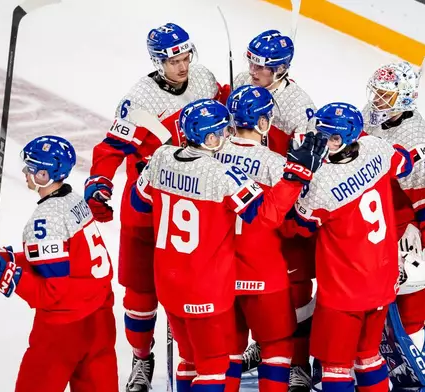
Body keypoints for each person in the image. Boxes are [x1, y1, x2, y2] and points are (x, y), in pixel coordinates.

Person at [129, 98, 327, 392]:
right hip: (228, 279)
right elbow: (267, 217)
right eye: (222, 131)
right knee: (229, 363)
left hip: (172, 282)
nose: (226, 135)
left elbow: (138, 203)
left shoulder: (160, 157)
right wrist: (295, 176)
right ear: (209, 137)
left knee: (193, 359)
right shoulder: (226, 174)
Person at [84, 22, 229, 392]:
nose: (182, 66)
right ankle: (140, 358)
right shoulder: (140, 100)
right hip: (147, 209)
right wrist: (100, 182)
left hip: (197, 202)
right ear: (156, 61)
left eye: (185, 57)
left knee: (204, 290)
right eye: (172, 60)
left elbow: (226, 108)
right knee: (140, 294)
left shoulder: (203, 79)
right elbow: (111, 149)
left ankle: (205, 359)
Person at [0, 135, 117, 392]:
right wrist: (12, 259)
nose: (26, 172)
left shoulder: (45, 220)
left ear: (44, 176)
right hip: (100, 318)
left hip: (63, 330)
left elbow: (51, 294)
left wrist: (10, 277)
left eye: (32, 168)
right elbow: (62, 258)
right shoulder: (74, 200)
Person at [285, 102, 414, 392]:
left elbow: (296, 227)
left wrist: (299, 177)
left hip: (344, 292)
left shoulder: (323, 183)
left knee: (335, 367)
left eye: (330, 137)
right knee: (368, 357)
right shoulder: (376, 148)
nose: (321, 141)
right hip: (382, 281)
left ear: (346, 138)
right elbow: (404, 162)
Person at [363, 61, 425, 390]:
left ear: (404, 99)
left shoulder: (414, 138)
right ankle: (376, 359)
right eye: (376, 92)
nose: (377, 99)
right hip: (376, 222)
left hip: (405, 231)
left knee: (410, 306)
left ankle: (418, 353)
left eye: (386, 95)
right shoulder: (372, 114)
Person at [234, 29, 318, 390]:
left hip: (284, 203)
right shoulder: (242, 82)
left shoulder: (299, 106)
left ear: (281, 69)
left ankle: (297, 361)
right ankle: (262, 345)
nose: (253, 71)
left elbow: (311, 165)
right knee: (248, 289)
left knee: (295, 288)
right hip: (247, 205)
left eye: (263, 67)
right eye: (252, 61)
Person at [214, 85, 298, 392]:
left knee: (228, 351)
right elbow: (290, 224)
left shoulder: (210, 157)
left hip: (219, 273)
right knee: (276, 348)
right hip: (265, 274)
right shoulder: (277, 164)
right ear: (263, 123)